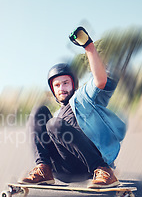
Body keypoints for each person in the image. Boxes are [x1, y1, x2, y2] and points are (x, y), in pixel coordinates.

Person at [19, 27, 127, 188]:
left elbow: (100, 81)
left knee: (54, 124)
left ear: (74, 85)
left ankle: (103, 170)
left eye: (65, 83)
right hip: (63, 169)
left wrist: (88, 46)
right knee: (39, 112)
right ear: (53, 90)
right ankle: (44, 169)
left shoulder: (83, 98)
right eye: (57, 85)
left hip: (87, 166)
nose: (61, 88)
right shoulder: (56, 114)